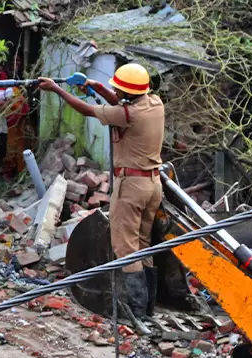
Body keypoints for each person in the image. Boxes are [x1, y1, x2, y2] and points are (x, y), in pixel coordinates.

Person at [40, 64, 165, 316]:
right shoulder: (154, 103)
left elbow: (88, 110)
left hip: (131, 186)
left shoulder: (129, 115)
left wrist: (56, 90)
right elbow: (123, 105)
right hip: (152, 185)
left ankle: (136, 310)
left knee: (126, 248)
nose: (115, 92)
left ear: (127, 94)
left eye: (118, 89)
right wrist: (97, 87)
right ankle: (148, 306)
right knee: (143, 244)